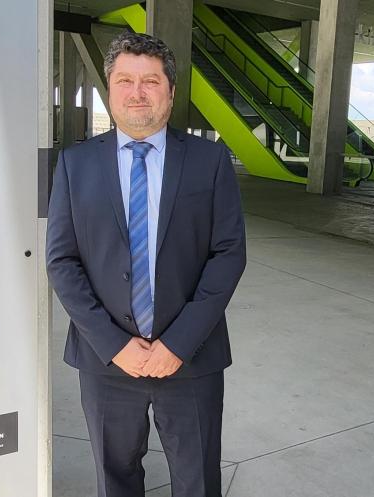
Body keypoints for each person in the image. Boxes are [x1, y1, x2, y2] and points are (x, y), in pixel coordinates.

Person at [46, 32, 246, 497]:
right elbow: (62, 260)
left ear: (171, 92)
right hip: (106, 359)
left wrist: (177, 344)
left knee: (198, 480)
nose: (137, 93)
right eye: (124, 80)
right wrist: (115, 345)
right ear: (110, 90)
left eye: (151, 81)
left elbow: (228, 254)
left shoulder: (210, 161)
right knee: (114, 480)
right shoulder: (76, 164)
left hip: (190, 358)